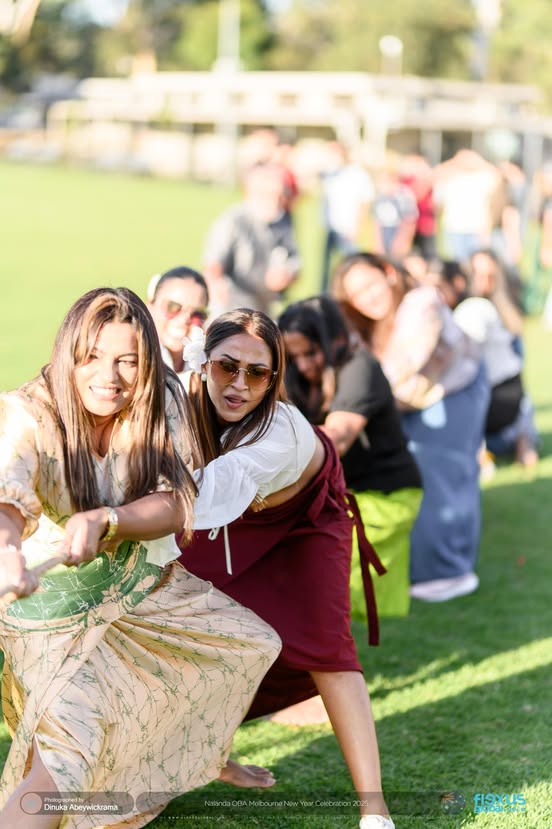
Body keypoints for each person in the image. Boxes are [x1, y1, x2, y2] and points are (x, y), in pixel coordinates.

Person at [0, 288, 281, 828]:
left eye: (127, 360)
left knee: (250, 645)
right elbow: (8, 497)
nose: (110, 376)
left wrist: (110, 520)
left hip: (139, 590)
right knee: (66, 758)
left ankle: (167, 767)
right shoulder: (27, 411)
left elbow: (177, 502)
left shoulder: (163, 397)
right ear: (68, 355)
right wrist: (8, 550)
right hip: (49, 612)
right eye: (92, 358)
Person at [178, 308, 395, 829]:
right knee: (181, 623)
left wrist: (117, 513)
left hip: (307, 522)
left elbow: (204, 493)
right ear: (205, 365)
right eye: (227, 367)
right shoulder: (184, 399)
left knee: (327, 648)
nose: (239, 384)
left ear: (275, 379)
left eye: (258, 373)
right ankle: (214, 757)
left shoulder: (280, 431)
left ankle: (375, 808)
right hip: (235, 516)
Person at [331, 252, 489, 603]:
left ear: (389, 273)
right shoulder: (370, 324)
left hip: (455, 391)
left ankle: (450, 572)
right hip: (415, 400)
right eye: (356, 294)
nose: (367, 297)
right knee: (418, 473)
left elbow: (405, 363)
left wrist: (357, 396)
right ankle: (426, 563)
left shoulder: (421, 303)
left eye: (370, 285)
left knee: (443, 473)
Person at [278, 296, 423, 618]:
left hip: (383, 495)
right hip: (338, 494)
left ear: (337, 340)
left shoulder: (360, 367)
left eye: (311, 353)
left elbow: (338, 438)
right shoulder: (294, 374)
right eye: (294, 355)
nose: (302, 365)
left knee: (330, 586)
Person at [202, 162, 300, 317]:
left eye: (280, 195)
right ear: (249, 192)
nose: (275, 201)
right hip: (232, 308)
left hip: (265, 308)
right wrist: (216, 284)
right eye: (267, 194)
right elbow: (213, 264)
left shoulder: (284, 220)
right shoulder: (233, 221)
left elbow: (295, 262)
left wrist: (286, 275)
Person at [320, 141, 375, 292]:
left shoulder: (357, 174)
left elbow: (365, 201)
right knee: (326, 266)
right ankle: (325, 294)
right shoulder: (330, 173)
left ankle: (349, 292)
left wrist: (357, 226)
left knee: (349, 264)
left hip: (348, 227)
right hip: (330, 226)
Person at [146, 265, 209, 382]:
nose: (184, 320)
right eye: (172, 307)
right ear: (149, 306)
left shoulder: (210, 371)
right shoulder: (134, 361)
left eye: (196, 313)